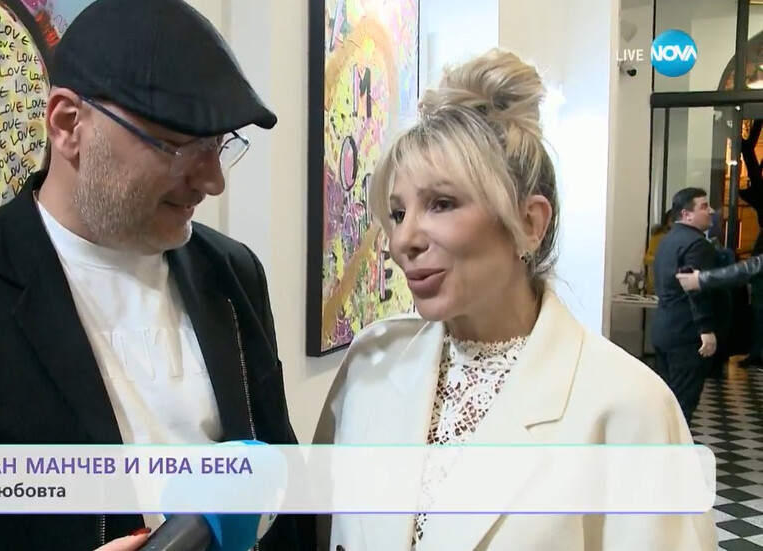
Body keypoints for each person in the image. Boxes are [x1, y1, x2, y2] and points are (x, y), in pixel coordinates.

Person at [0, 0, 313, 549]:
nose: (213, 181)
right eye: (179, 147)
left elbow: (280, 488)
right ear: (68, 124)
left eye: (218, 145)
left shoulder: (233, 275)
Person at [312, 49, 715, 551]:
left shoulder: (629, 405)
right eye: (397, 214)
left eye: (441, 204)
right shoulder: (371, 362)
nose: (403, 240)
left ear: (528, 223)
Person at [651, 188, 728, 422]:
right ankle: (673, 447)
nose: (711, 211)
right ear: (686, 214)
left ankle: (661, 444)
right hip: (687, 334)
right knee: (682, 407)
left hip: (664, 329)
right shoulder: (697, 245)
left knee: (667, 404)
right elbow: (695, 289)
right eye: (704, 206)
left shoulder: (666, 241)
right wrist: (706, 329)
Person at [644, 209, 672, 293]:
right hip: (658, 283)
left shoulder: (684, 237)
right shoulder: (660, 236)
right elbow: (647, 258)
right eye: (672, 219)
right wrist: (661, 260)